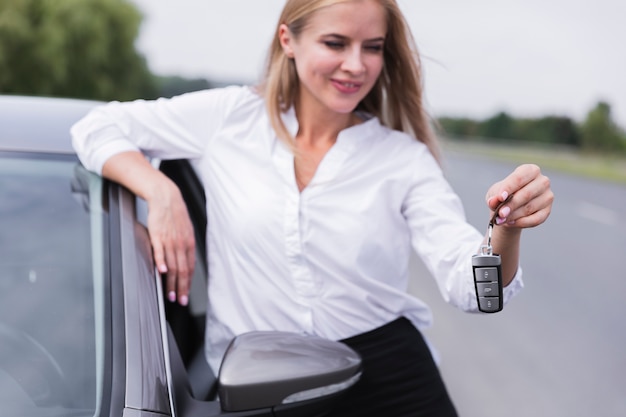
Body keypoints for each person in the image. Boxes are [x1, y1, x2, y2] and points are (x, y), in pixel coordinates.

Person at [71, 0, 553, 415]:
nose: (356, 65)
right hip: (256, 383)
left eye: (373, 47)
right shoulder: (228, 119)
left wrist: (505, 229)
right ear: (289, 40)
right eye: (335, 43)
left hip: (389, 381)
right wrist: (159, 191)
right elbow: (94, 128)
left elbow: (476, 293)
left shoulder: (403, 159)